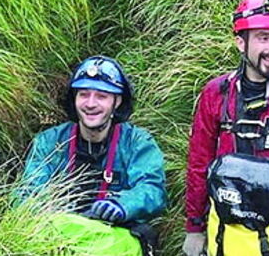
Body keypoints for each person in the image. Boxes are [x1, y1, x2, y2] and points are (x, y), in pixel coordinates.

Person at [182, 0, 269, 256]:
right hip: (230, 229)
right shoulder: (217, 94)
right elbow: (199, 163)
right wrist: (195, 227)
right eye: (263, 38)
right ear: (240, 42)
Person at [15, 56, 167, 256]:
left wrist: (121, 205)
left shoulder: (137, 142)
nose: (90, 104)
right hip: (59, 231)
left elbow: (152, 189)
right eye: (83, 94)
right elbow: (25, 195)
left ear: (117, 101)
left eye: (102, 96)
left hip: (114, 234)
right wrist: (63, 216)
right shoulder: (49, 142)